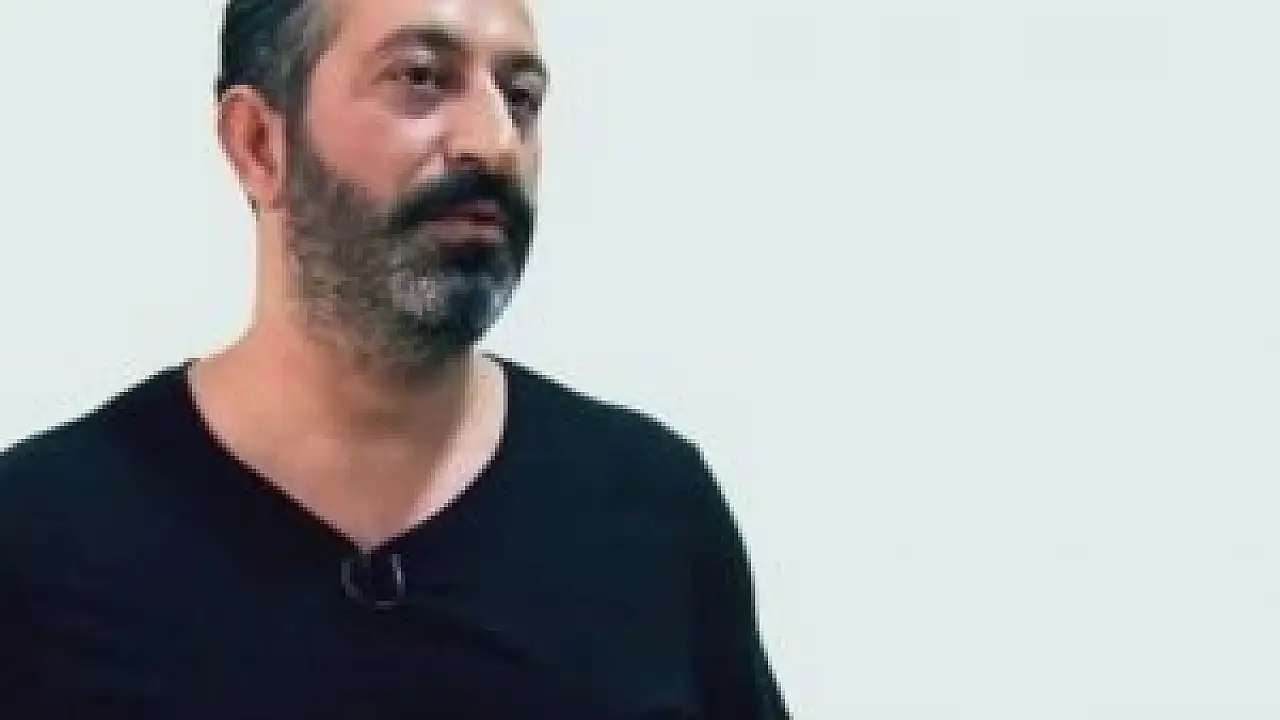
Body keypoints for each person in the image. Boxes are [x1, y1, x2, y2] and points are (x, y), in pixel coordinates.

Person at [0, 0, 789, 717]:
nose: (494, 143)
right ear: (259, 144)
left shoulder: (650, 512)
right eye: (421, 79)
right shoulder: (40, 540)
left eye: (520, 97)